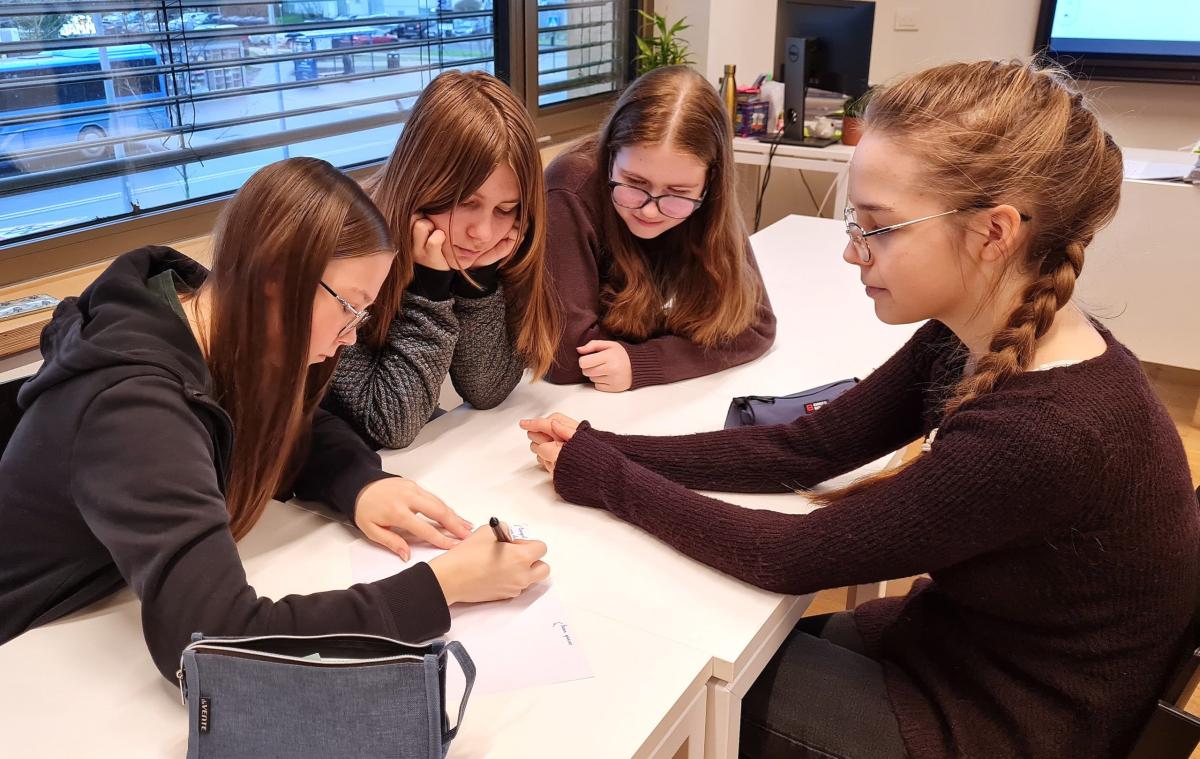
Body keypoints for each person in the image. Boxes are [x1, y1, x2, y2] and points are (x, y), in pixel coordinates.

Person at [522, 60, 1199, 758]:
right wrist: (605, 445)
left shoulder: (1046, 430)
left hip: (999, 723)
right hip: (955, 650)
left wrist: (607, 476)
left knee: (658, 684)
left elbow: (791, 555)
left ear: (994, 232)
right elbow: (808, 449)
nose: (852, 251)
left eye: (878, 226)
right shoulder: (979, 334)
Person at [0, 157, 549, 680]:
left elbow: (291, 425)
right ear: (275, 281)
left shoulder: (208, 313)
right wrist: (439, 588)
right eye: (349, 307)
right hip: (28, 653)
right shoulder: (136, 410)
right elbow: (214, 640)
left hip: (91, 613)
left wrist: (358, 483)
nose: (350, 337)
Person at [326, 70, 559, 449]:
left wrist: (478, 279)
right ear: (421, 181)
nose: (483, 232)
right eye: (465, 202)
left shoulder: (497, 242)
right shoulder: (343, 248)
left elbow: (488, 391)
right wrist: (428, 290)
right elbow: (391, 425)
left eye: (506, 209)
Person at [541, 65, 775, 392]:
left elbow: (757, 326)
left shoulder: (710, 203)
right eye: (634, 183)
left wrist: (643, 362)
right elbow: (566, 357)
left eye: (677, 193)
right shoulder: (571, 185)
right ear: (610, 155)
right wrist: (676, 346)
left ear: (709, 183)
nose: (650, 210)